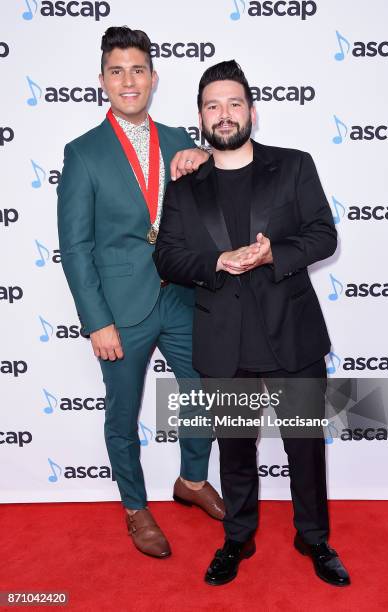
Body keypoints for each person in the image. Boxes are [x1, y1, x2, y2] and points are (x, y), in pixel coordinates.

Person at [153, 60, 350, 585]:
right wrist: (215, 263)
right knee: (235, 451)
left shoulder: (293, 165)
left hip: (292, 334)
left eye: (234, 103)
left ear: (252, 112)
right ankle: (238, 539)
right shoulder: (187, 184)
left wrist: (272, 255)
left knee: (305, 450)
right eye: (213, 105)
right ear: (200, 116)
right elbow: (167, 258)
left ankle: (313, 538)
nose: (224, 114)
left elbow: (323, 236)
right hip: (224, 341)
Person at [57, 27, 224, 560]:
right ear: (102, 81)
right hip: (120, 310)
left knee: (201, 395)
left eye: (137, 70)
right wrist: (95, 320)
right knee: (123, 413)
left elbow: (213, 193)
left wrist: (203, 158)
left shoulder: (178, 139)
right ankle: (134, 505)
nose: (128, 81)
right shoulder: (82, 154)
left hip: (178, 297)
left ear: (153, 78)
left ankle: (192, 482)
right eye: (116, 71)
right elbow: (75, 247)